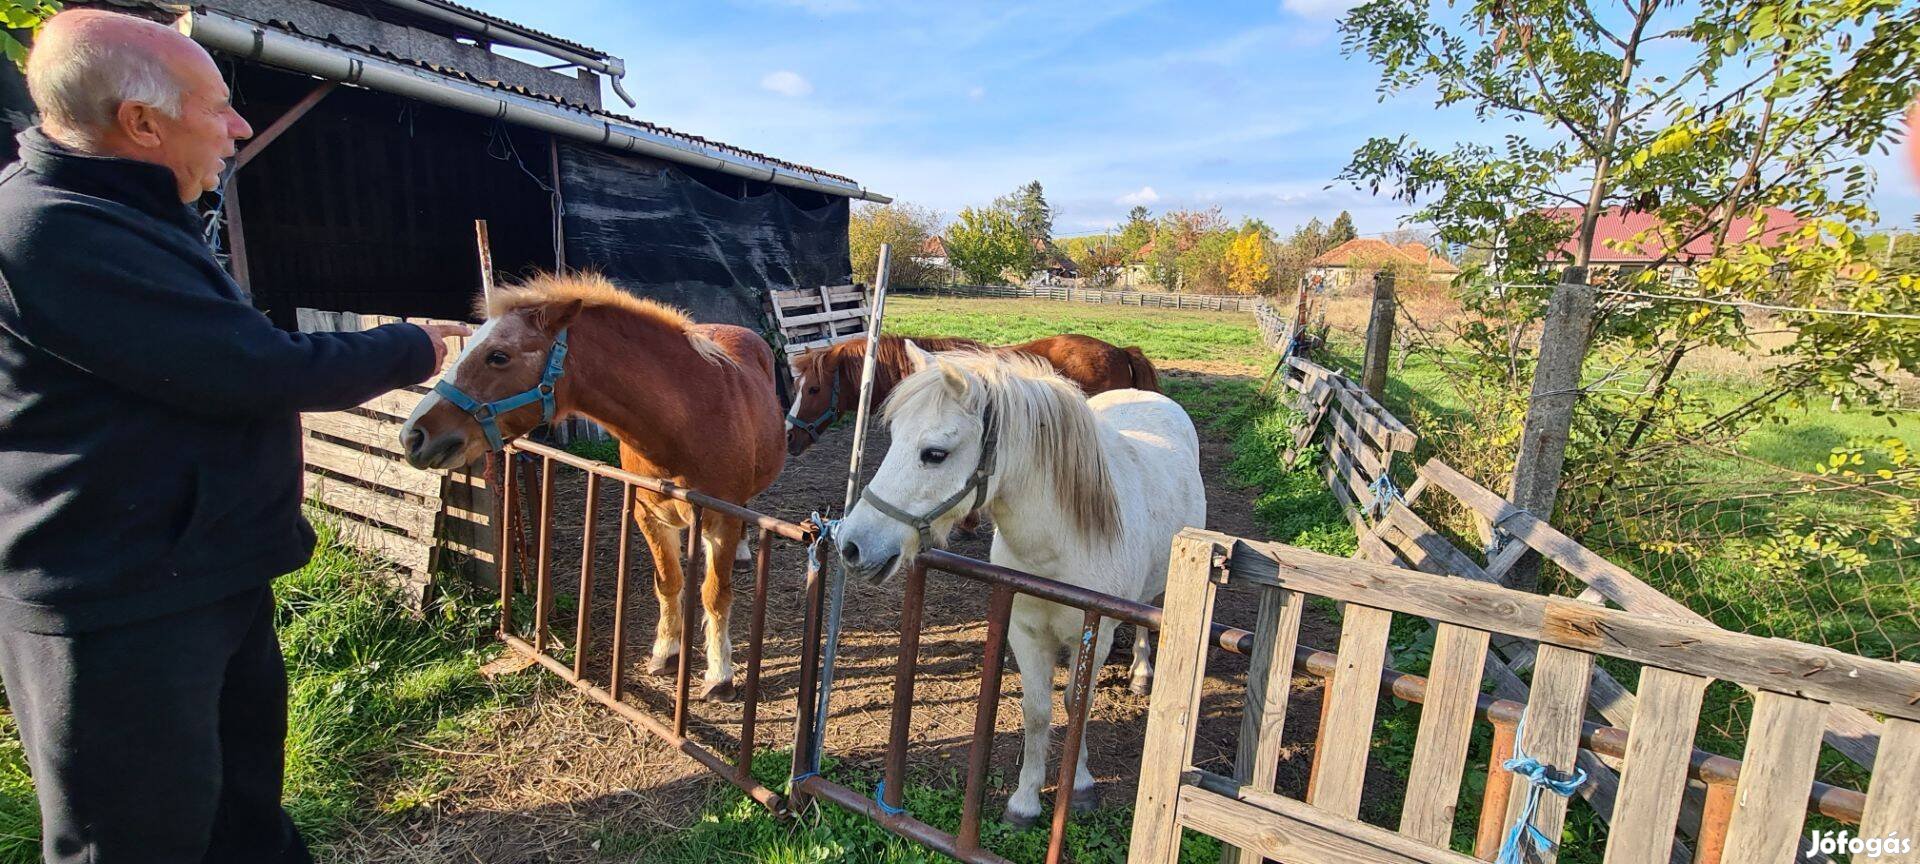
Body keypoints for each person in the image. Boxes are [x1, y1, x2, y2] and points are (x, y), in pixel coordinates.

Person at [0, 9, 470, 863]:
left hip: (201, 575)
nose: (242, 126)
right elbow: (252, 367)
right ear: (141, 123)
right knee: (136, 841)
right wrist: (416, 343)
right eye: (217, 106)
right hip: (117, 606)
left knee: (240, 817)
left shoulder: (131, 216)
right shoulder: (50, 230)